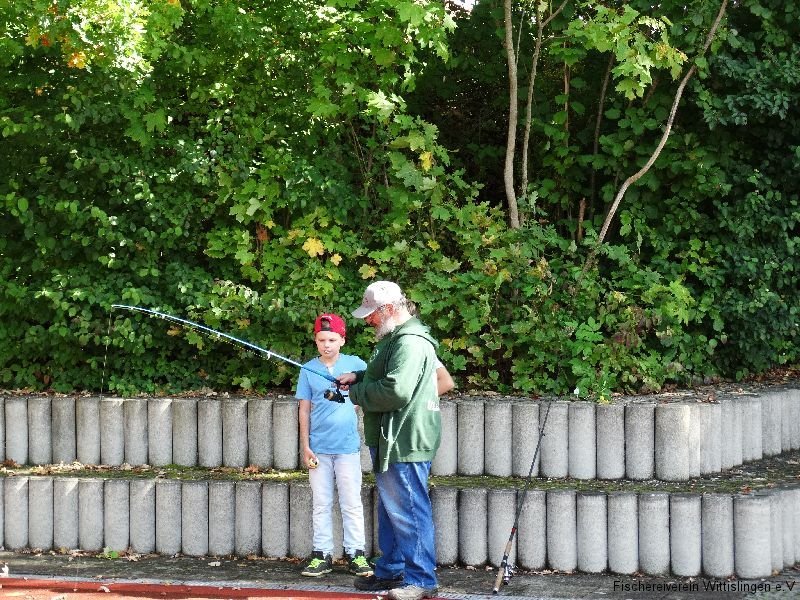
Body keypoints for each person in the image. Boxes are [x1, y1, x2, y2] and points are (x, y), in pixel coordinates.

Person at [336, 281, 442, 600]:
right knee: (392, 509)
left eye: (371, 313)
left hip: (404, 439)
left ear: (389, 309)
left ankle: (421, 580)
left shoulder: (409, 342)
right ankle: (392, 570)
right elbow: (387, 375)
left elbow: (396, 391)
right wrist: (359, 376)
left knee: (408, 509)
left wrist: (356, 392)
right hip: (393, 437)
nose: (368, 320)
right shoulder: (396, 338)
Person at [295, 313, 372, 578]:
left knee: (351, 502)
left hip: (348, 447)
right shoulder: (307, 369)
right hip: (319, 448)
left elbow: (369, 387)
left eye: (331, 339)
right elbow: (304, 409)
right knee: (321, 503)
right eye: (321, 340)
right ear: (315, 341)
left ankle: (356, 553)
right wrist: (305, 446)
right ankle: (321, 553)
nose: (326, 345)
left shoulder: (356, 364)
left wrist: (354, 396)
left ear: (342, 340)